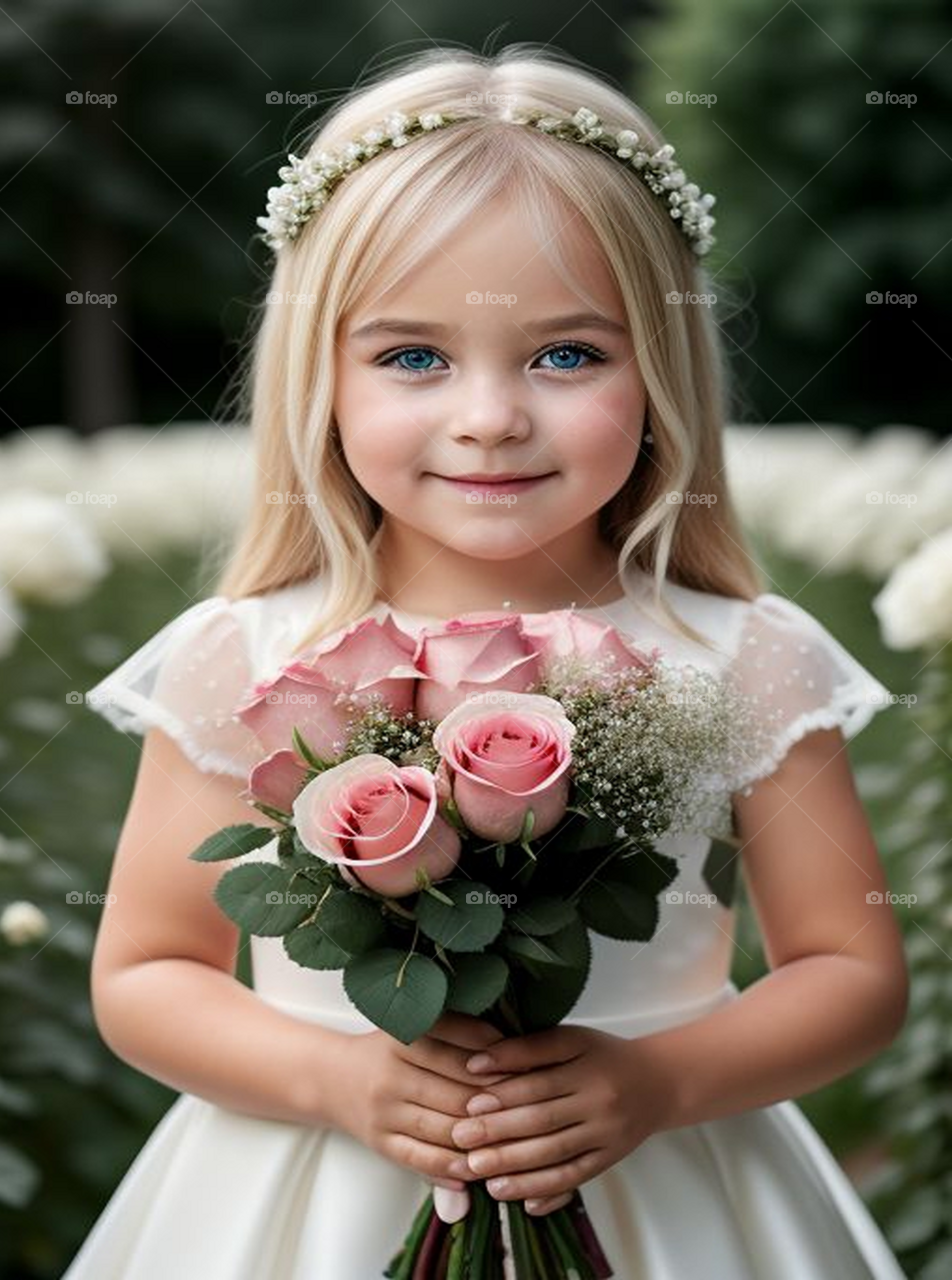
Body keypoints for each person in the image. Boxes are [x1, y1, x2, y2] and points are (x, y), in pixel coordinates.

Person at [63, 43, 910, 1279]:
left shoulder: (740, 655)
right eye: (413, 357)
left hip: (663, 1188)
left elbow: (850, 964)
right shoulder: (248, 654)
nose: (490, 416)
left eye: (568, 355)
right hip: (317, 1191)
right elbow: (146, 969)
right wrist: (341, 1077)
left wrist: (655, 1080)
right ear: (323, 377)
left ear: (662, 369)